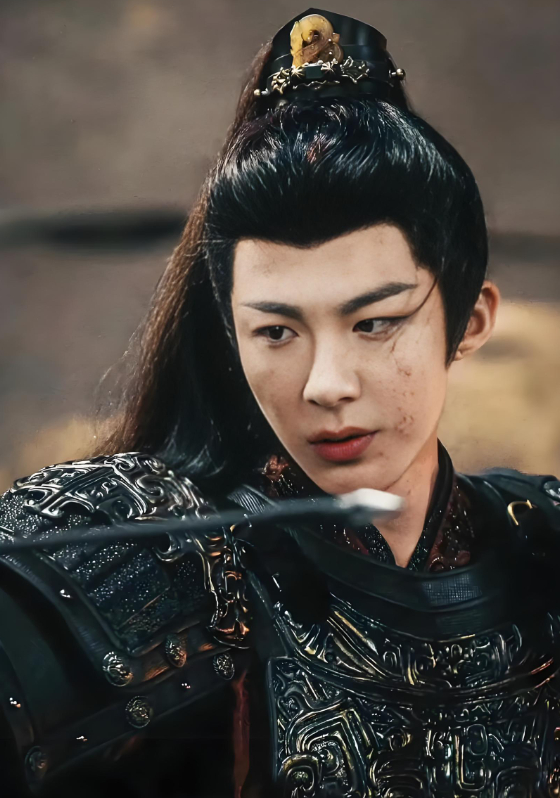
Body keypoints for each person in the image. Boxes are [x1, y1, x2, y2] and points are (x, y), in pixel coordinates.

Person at [1, 7, 560, 797]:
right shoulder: (147, 554)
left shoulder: (543, 549)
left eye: (374, 323)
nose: (325, 384)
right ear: (231, 335)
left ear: (469, 322)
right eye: (276, 332)